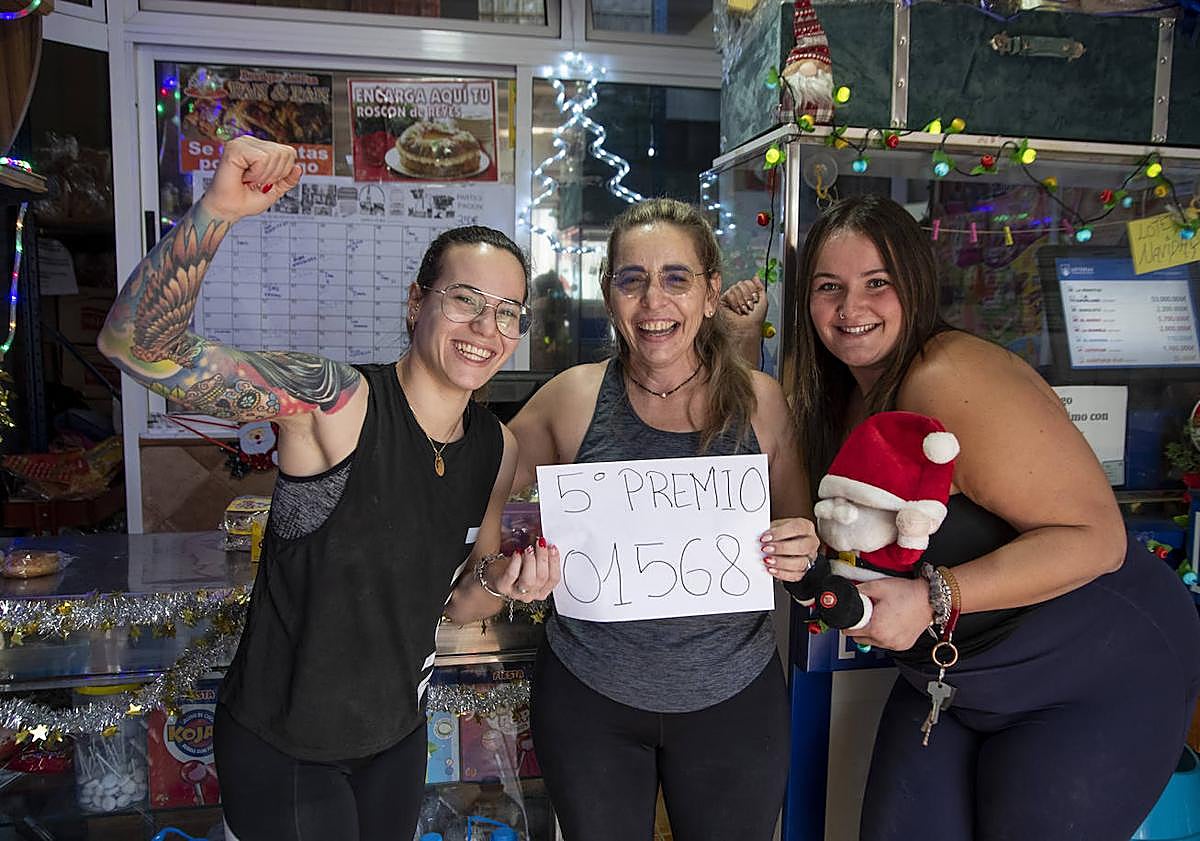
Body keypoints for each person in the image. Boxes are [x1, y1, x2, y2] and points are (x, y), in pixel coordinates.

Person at [98, 136, 558, 841]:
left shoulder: (496, 447)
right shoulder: (337, 401)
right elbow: (135, 344)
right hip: (285, 743)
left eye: (506, 312)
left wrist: (507, 584)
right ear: (417, 300)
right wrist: (219, 208)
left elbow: (462, 601)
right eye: (465, 299)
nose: (485, 329)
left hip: (394, 736)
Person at [725, 193, 1200, 841]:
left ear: (915, 285)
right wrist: (740, 347)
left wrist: (933, 595)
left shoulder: (945, 376)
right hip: (949, 675)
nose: (850, 309)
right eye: (828, 287)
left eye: (877, 284)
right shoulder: (835, 395)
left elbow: (1098, 539)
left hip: (1094, 666)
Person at [508, 197, 820, 841]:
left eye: (676, 278)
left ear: (709, 293)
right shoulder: (572, 399)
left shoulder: (760, 402)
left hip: (734, 699)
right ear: (609, 293)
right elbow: (483, 494)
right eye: (632, 279)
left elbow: (802, 529)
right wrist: (515, 552)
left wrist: (801, 547)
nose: (653, 301)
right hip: (590, 700)